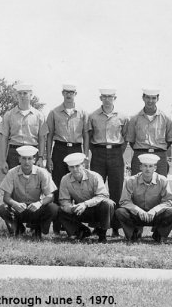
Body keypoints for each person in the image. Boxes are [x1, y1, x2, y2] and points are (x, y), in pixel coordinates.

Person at [86, 88, 128, 236]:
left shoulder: (122, 116)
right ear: (100, 98)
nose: (107, 99)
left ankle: (116, 226)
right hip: (98, 152)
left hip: (116, 152)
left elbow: (125, 137)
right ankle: (98, 225)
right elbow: (89, 137)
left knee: (116, 189)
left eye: (110, 96)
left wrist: (117, 152)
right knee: (97, 189)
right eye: (104, 96)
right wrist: (96, 151)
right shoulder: (93, 116)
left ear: (114, 98)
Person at [114, 153, 172, 243]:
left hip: (155, 215)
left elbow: (169, 201)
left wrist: (155, 210)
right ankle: (134, 234)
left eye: (150, 166)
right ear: (140, 167)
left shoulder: (162, 180)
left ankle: (159, 234)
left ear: (155, 168)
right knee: (120, 212)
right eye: (145, 166)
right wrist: (138, 210)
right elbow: (124, 201)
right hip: (137, 215)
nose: (147, 169)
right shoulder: (131, 180)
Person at [0, 145, 59, 238]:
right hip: (18, 208)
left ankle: (39, 228)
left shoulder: (42, 173)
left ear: (34, 160)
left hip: (35, 209)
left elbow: (50, 196)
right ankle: (18, 228)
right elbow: (6, 198)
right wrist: (15, 204)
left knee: (53, 208)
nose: (27, 162)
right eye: (24, 158)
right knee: (3, 209)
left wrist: (39, 203)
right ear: (19, 159)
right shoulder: (12, 173)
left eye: (29, 159)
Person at [57, 152, 114, 243]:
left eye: (77, 166)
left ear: (83, 165)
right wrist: (71, 208)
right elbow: (64, 200)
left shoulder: (95, 176)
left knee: (108, 203)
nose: (75, 169)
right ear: (68, 168)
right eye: (72, 167)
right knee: (60, 210)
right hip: (79, 210)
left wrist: (85, 204)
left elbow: (103, 195)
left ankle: (102, 234)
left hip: (96, 209)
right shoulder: (65, 179)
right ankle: (81, 231)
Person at [45, 83, 88, 200]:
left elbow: (86, 135)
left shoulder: (82, 112)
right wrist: (48, 158)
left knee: (77, 181)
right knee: (58, 182)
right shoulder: (54, 112)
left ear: (75, 94)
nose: (69, 95)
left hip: (76, 149)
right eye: (66, 92)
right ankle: (59, 215)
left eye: (71, 93)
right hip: (59, 149)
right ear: (62, 93)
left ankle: (76, 213)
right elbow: (49, 136)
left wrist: (86, 156)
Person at [0, 82, 46, 173]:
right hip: (14, 153)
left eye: (25, 93)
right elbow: (4, 138)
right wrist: (3, 160)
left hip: (32, 152)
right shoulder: (9, 115)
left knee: (33, 182)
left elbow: (42, 138)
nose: (22, 96)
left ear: (31, 95)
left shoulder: (39, 116)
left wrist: (40, 157)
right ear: (16, 95)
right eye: (19, 93)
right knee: (13, 182)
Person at [126, 88, 172, 176]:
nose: (150, 101)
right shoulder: (135, 119)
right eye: (148, 97)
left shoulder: (166, 119)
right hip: (140, 155)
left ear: (157, 99)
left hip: (159, 155)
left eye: (153, 98)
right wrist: (143, 149)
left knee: (160, 185)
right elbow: (131, 140)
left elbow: (169, 140)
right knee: (137, 185)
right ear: (143, 98)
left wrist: (158, 149)